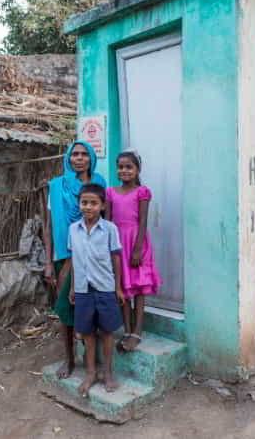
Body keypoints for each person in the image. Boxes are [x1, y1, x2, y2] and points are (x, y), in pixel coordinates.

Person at [43, 141, 106, 379]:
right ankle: (69, 360)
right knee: (66, 310)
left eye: (84, 154)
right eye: (74, 154)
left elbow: (105, 221)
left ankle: (96, 361)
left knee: (94, 308)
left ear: (91, 158)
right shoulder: (57, 186)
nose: (79, 158)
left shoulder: (98, 183)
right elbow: (48, 226)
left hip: (93, 257)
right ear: (68, 158)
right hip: (64, 257)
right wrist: (49, 261)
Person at [68, 183, 124, 397]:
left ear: (102, 205)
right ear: (79, 204)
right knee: (88, 334)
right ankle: (91, 373)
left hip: (105, 287)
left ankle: (107, 373)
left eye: (93, 203)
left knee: (107, 333)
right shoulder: (73, 230)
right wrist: (73, 287)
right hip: (83, 289)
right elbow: (74, 259)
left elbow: (116, 258)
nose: (88, 207)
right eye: (84, 202)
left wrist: (118, 287)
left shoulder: (110, 229)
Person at [106, 149, 161, 352]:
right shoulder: (110, 192)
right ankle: (127, 330)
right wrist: (109, 249)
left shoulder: (142, 192)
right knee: (122, 289)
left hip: (137, 245)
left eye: (129, 167)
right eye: (121, 167)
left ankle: (137, 332)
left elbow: (143, 221)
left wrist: (138, 249)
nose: (124, 170)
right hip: (118, 245)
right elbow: (109, 222)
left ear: (137, 170)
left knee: (138, 290)